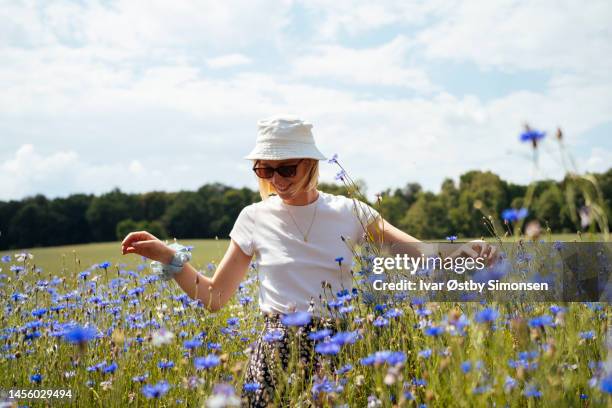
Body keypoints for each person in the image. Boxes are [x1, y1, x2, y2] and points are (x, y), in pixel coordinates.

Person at [121, 116, 496, 406]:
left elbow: (419, 255)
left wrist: (463, 255)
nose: (278, 179)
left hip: (344, 347)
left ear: (311, 164)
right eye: (266, 170)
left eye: (287, 169)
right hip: (275, 350)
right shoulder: (253, 217)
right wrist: (169, 258)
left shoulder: (350, 211)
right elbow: (216, 298)